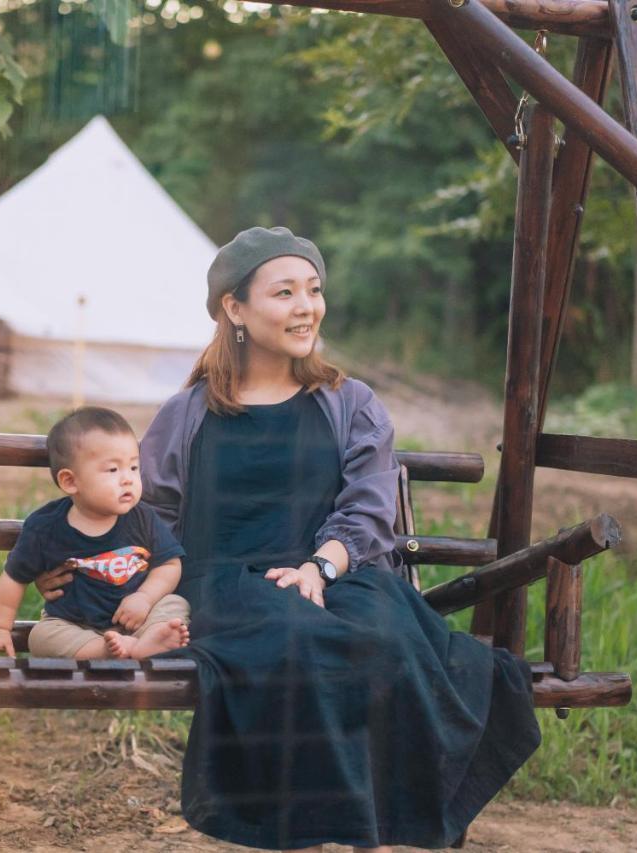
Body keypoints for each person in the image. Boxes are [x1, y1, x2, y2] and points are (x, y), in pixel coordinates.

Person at [37, 227, 540, 850]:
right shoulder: (188, 412)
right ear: (235, 308)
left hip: (335, 574)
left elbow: (368, 505)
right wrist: (79, 564)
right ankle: (308, 832)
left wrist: (319, 569)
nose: (307, 307)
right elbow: (145, 512)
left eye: (314, 290)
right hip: (225, 582)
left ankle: (371, 831)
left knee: (383, 635)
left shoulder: (350, 404)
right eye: (285, 292)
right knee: (297, 637)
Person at [0, 406, 190, 660]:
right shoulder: (45, 528)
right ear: (70, 481)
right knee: (42, 637)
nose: (128, 479)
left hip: (137, 619)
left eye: (133, 468)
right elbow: (13, 579)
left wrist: (145, 598)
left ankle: (146, 641)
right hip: (76, 626)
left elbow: (169, 564)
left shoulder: (142, 517)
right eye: (113, 470)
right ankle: (108, 650)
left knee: (175, 604)